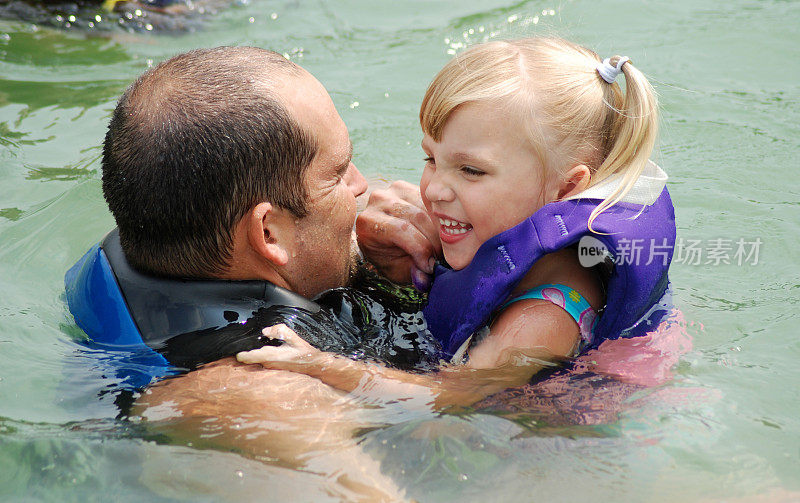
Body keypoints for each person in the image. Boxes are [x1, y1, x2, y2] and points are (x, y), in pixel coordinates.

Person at [237, 37, 677, 408]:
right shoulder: (496, 226)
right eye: (432, 158)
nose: (434, 190)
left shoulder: (544, 318)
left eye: (471, 171)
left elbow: (447, 397)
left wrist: (324, 366)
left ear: (565, 190)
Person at [66, 46, 418, 501]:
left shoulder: (170, 232)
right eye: (337, 174)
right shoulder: (265, 398)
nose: (362, 186)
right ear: (268, 232)